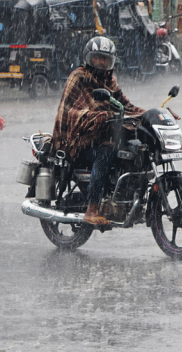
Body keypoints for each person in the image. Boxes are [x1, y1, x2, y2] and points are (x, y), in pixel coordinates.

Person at [52, 36, 145, 226]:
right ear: (88, 58)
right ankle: (92, 209)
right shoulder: (78, 77)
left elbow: (125, 106)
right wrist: (95, 117)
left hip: (103, 136)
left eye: (105, 59)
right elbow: (67, 112)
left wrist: (152, 115)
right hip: (77, 141)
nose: (102, 63)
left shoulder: (110, 81)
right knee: (106, 153)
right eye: (97, 58)